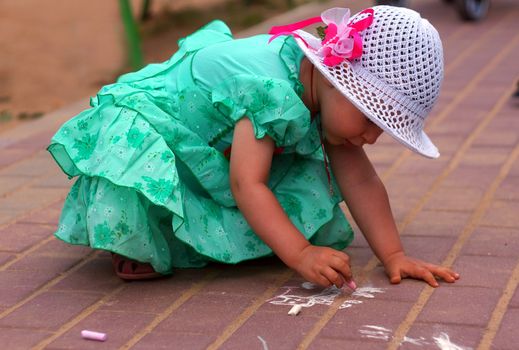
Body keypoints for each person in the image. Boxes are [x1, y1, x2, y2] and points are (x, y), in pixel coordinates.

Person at [47, 5, 460, 288]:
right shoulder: (274, 91)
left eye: (383, 127)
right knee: (147, 181)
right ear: (336, 80)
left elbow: (362, 180)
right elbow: (247, 184)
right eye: (370, 117)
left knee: (298, 192)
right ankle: (143, 235)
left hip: (216, 145)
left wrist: (394, 255)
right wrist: (299, 255)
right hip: (161, 123)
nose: (371, 135)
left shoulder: (327, 94)